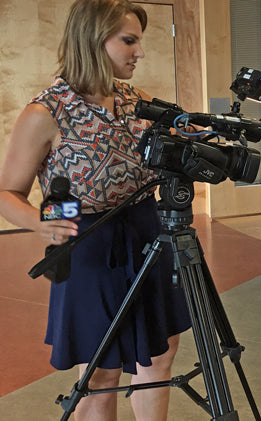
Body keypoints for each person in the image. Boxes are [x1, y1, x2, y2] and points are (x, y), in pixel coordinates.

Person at [0, 1, 191, 419]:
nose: (139, 52)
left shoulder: (132, 98)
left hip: (147, 229)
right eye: (129, 40)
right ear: (92, 39)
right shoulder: (46, 110)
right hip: (88, 240)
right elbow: (7, 192)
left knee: (158, 357)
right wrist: (41, 223)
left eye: (138, 40)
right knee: (101, 370)